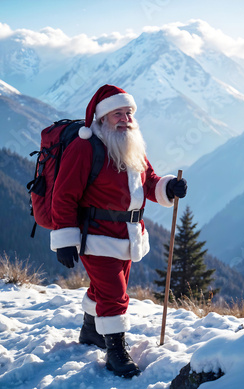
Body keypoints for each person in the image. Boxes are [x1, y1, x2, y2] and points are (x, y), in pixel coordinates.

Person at [50, 84, 187, 379]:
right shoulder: (85, 147)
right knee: (114, 293)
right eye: (117, 113)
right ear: (102, 118)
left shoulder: (130, 143)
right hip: (96, 235)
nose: (125, 118)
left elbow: (147, 180)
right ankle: (115, 351)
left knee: (107, 287)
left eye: (128, 112)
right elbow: (63, 195)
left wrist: (167, 187)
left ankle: (91, 332)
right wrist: (64, 239)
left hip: (128, 235)